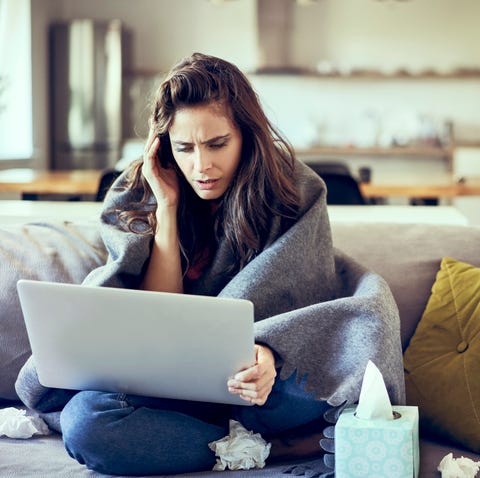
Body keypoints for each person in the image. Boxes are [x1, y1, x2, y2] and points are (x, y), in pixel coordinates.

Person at [15, 52, 405, 476]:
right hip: (169, 386)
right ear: (163, 145)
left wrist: (267, 350)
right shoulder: (139, 194)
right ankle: (270, 450)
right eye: (184, 148)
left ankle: (231, 435)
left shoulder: (294, 189)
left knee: (312, 384)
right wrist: (167, 207)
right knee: (87, 423)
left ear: (246, 134)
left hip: (264, 388)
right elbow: (156, 317)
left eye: (217, 144)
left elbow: (300, 306)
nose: (202, 165)